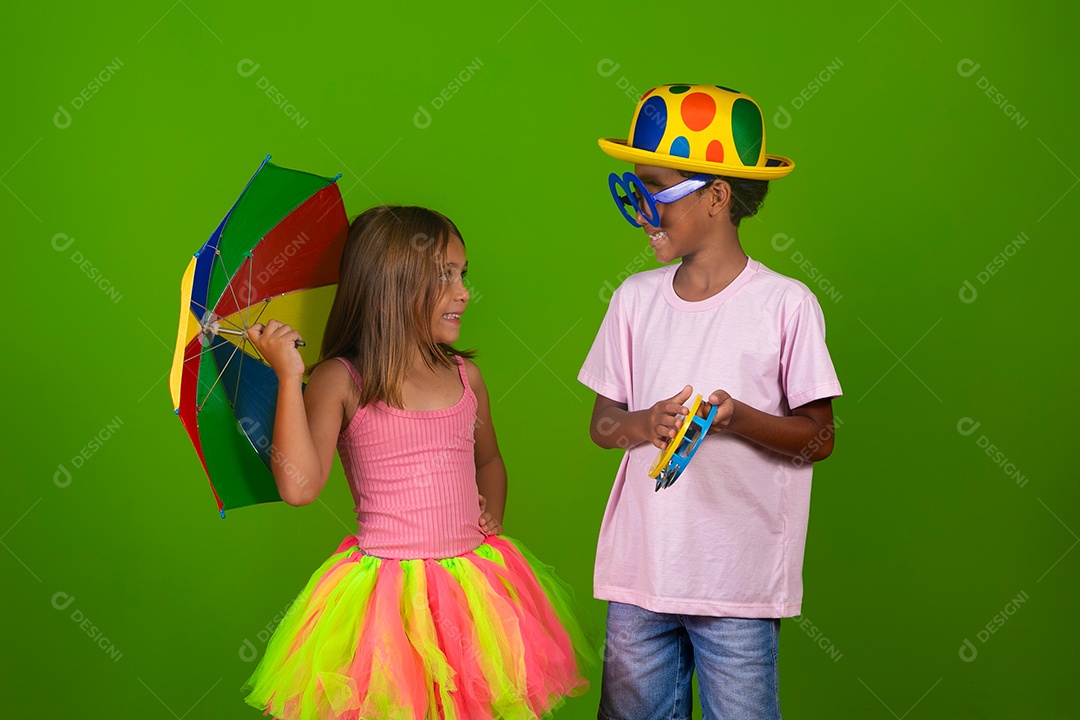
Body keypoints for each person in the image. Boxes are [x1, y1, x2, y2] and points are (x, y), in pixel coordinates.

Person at [244, 205, 588, 719]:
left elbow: (489, 461)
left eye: (462, 274)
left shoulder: (464, 376)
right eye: (444, 276)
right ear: (392, 287)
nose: (464, 292)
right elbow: (301, 487)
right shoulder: (342, 381)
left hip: (470, 591)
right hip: (386, 602)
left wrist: (489, 516)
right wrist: (291, 377)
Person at [579, 84, 843, 720]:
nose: (642, 208)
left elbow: (819, 439)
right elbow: (602, 424)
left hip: (737, 585)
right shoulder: (633, 300)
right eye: (635, 186)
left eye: (657, 190)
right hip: (640, 577)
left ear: (717, 197)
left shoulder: (786, 305)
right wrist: (643, 423)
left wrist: (737, 418)